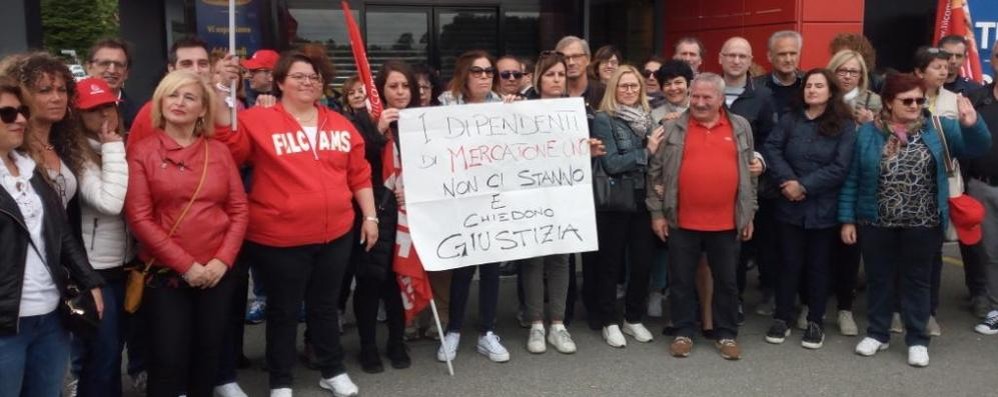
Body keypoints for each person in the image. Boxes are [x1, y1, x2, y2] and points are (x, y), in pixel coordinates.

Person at [213, 50, 375, 397]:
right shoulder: (258, 121)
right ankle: (281, 380)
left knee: (325, 305)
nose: (307, 82)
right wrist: (219, 87)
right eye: (299, 76)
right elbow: (230, 147)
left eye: (314, 77)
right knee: (284, 310)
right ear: (281, 81)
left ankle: (331, 369)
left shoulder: (339, 122)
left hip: (337, 233)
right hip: (279, 237)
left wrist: (371, 216)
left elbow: (359, 173)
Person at [839, 73, 990, 367]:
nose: (914, 105)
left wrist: (972, 125)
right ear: (888, 102)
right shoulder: (869, 132)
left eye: (919, 100)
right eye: (906, 100)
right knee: (879, 280)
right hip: (876, 221)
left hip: (924, 223)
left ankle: (918, 339)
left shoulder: (938, 127)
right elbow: (853, 178)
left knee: (917, 282)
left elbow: (978, 147)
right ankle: (878, 333)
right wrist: (847, 219)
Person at [124, 70, 248, 397]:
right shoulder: (142, 151)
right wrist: (187, 266)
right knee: (167, 359)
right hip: (167, 276)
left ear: (203, 109)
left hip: (217, 273)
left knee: (208, 355)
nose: (179, 102)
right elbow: (139, 217)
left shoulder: (219, 152)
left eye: (189, 97)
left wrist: (222, 261)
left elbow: (239, 210)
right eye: (172, 95)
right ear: (160, 102)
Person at [0, 75, 105, 397]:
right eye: (7, 114)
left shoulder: (29, 167)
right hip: (6, 324)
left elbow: (61, 234)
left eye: (22, 112)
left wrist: (91, 282)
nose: (20, 120)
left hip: (51, 316)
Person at [648, 72, 757, 360]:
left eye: (707, 97)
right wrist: (657, 213)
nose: (699, 102)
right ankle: (684, 331)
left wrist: (749, 213)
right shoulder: (672, 128)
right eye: (695, 96)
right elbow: (655, 172)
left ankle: (726, 334)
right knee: (681, 280)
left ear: (721, 99)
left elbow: (749, 173)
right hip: (681, 219)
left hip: (726, 221)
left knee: (727, 282)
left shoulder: (740, 126)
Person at [762, 69, 856, 349]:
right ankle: (782, 316)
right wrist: (787, 182)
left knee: (818, 266)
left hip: (823, 207)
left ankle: (815, 320)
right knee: (788, 263)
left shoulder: (844, 124)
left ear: (831, 91)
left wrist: (804, 186)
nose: (812, 90)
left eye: (819, 86)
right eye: (809, 86)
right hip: (789, 204)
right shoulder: (791, 119)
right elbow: (772, 148)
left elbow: (841, 166)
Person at [435, 50, 510, 364]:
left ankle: (487, 332)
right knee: (463, 268)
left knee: (492, 268)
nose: (484, 76)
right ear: (464, 74)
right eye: (477, 71)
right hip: (460, 199)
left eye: (489, 71)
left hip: (495, 199)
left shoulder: (506, 108)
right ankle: (453, 330)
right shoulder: (443, 106)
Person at [68, 77, 132, 397]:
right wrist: (112, 147)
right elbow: (110, 202)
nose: (104, 114)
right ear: (77, 115)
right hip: (95, 270)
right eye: (93, 109)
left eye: (109, 106)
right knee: (102, 352)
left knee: (114, 349)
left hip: (126, 265)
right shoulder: (77, 155)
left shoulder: (121, 146)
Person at [351, 60, 416, 373]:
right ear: (380, 90)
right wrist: (377, 132)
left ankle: (396, 341)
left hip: (406, 216)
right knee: (370, 281)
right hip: (373, 213)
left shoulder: (421, 120)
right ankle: (367, 347)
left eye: (405, 86)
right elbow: (356, 164)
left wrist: (415, 190)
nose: (400, 92)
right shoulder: (362, 119)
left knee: (397, 280)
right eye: (393, 86)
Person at [590, 64, 662, 348]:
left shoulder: (649, 119)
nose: (629, 90)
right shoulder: (604, 119)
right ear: (614, 89)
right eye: (624, 85)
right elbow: (611, 163)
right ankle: (610, 321)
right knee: (611, 264)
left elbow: (659, 160)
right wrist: (645, 152)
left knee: (643, 264)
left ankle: (633, 318)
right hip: (615, 201)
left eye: (634, 86)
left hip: (644, 200)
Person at [519, 52, 577, 354]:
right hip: (529, 195)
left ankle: (558, 324)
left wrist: (589, 149)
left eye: (561, 75)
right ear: (539, 78)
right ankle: (536, 325)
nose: (556, 80)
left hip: (564, 194)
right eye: (551, 74)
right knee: (532, 259)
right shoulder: (520, 109)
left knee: (560, 259)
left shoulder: (576, 111)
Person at [719, 37, 777, 319]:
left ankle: (735, 300)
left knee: (740, 245)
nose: (736, 61)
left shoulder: (763, 97)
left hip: (743, 184)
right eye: (730, 55)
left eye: (742, 56)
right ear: (720, 58)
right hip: (709, 181)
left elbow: (770, 138)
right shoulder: (706, 90)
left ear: (750, 59)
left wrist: (762, 160)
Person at [914, 46, 959, 336]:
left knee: (932, 255)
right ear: (919, 72)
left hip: (941, 185)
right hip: (906, 188)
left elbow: (970, 145)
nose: (944, 70)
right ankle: (898, 310)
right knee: (901, 253)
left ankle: (928, 313)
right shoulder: (904, 95)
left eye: (946, 66)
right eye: (937, 66)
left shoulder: (956, 101)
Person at [969, 45, 998, 333]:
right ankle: (995, 308)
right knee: (990, 252)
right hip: (982, 185)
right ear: (993, 60)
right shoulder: (977, 99)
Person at [85, 38, 139, 131]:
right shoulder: (70, 109)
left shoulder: (138, 115)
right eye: (104, 63)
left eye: (119, 64)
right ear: (89, 68)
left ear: (126, 73)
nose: (112, 70)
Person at [754, 31, 803, 118]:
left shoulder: (809, 84)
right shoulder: (755, 86)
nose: (788, 59)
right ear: (770, 56)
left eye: (793, 54)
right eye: (782, 54)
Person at [556, 36, 605, 109]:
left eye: (576, 56)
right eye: (565, 58)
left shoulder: (603, 93)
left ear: (588, 59)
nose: (571, 62)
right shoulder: (552, 93)